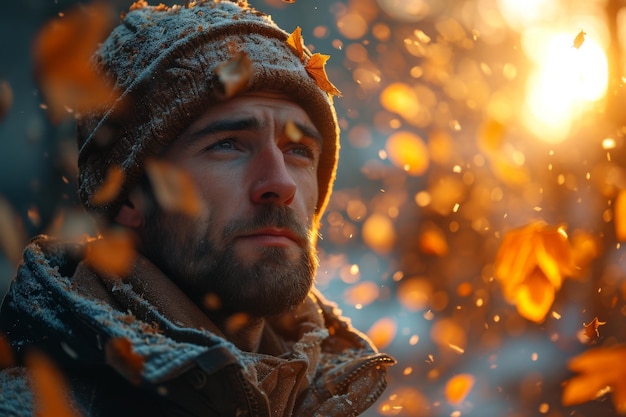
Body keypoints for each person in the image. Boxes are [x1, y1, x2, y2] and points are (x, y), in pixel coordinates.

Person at [0, 1, 395, 416]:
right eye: (227, 144)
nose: (280, 183)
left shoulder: (327, 398)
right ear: (129, 194)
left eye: (298, 150)